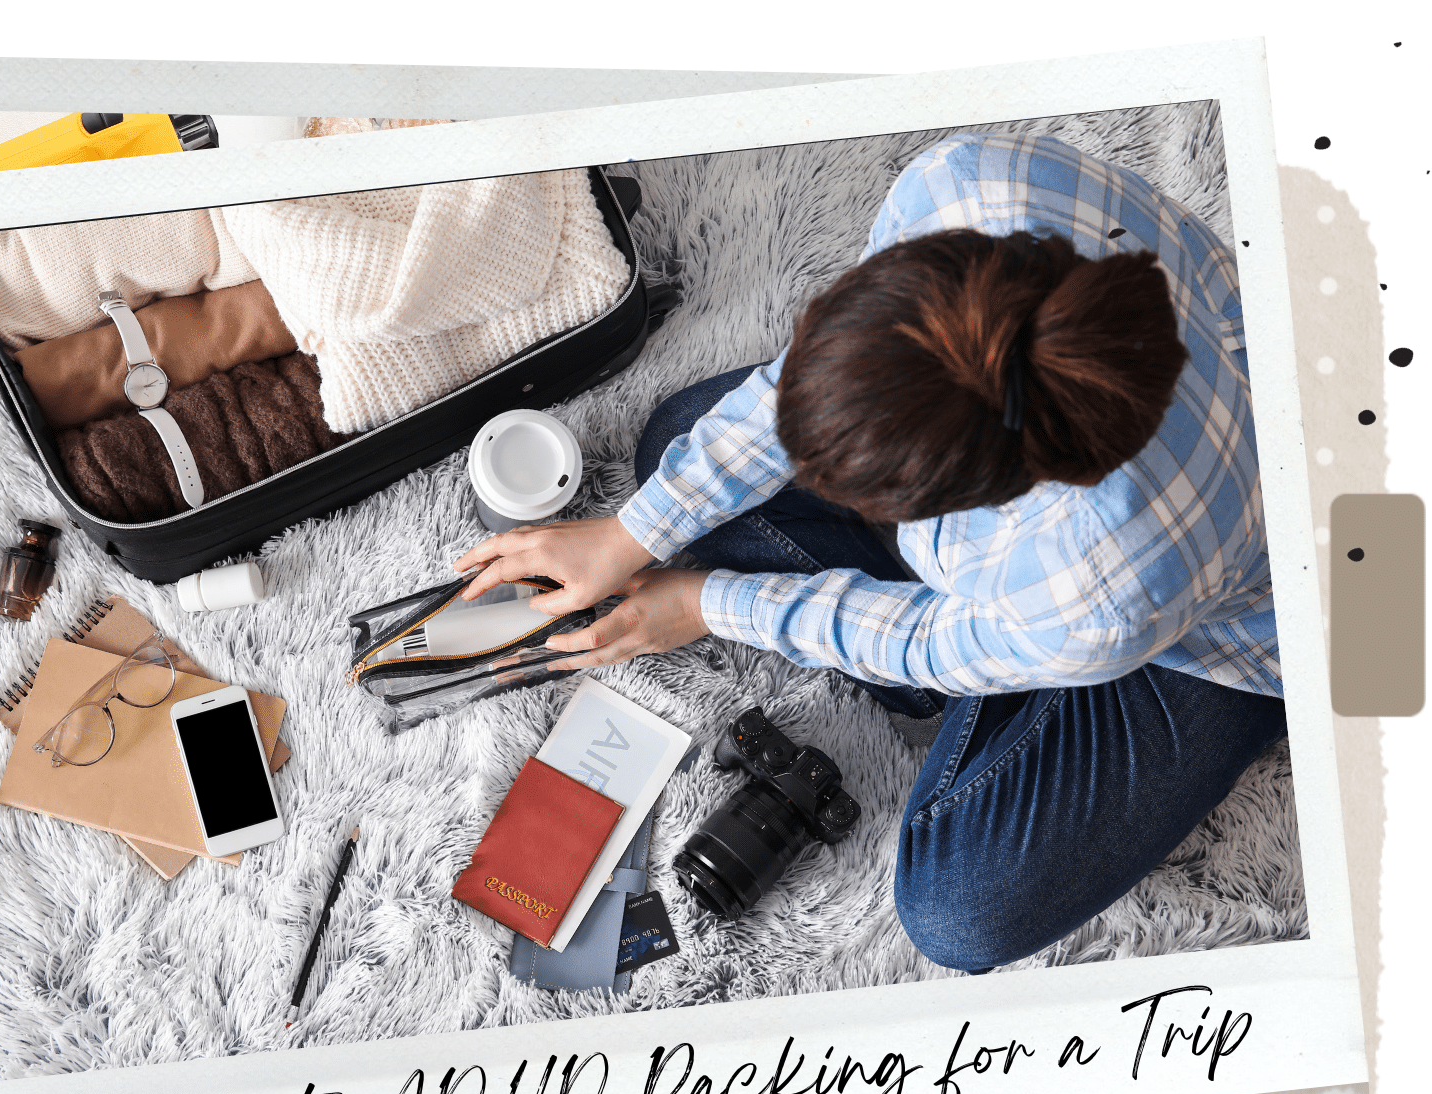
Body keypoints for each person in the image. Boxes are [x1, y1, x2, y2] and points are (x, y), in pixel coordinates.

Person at [453, 132, 1284, 974]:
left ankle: (984, 701)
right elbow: (797, 388)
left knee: (959, 910)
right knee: (674, 442)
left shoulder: (1096, 586)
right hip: (1104, 530)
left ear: (968, 502)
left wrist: (706, 602)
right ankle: (981, 684)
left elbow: (932, 640)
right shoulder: (965, 185)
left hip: (1229, 628)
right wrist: (633, 533)